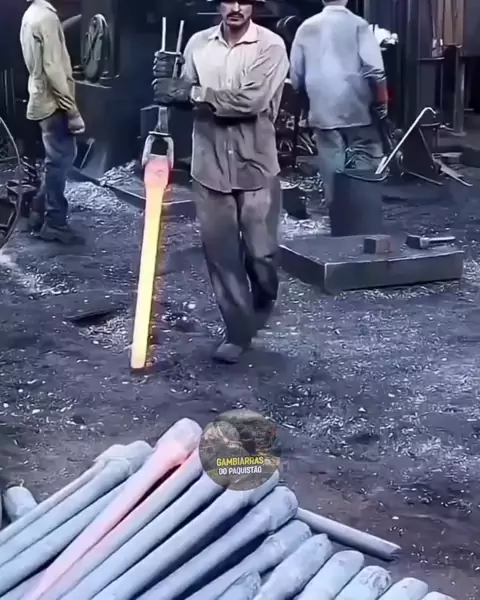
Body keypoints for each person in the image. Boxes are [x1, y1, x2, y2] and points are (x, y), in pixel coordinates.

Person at [153, 0, 289, 364]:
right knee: (221, 255)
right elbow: (181, 94)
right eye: (229, 0)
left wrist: (192, 93)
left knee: (262, 254)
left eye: (244, 1)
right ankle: (238, 331)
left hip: (255, 165)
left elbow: (250, 101)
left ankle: (262, 300)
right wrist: (168, 85)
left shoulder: (271, 46)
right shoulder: (197, 44)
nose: (236, 7)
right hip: (209, 166)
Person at [289, 0, 388, 205]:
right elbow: (375, 69)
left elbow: (296, 76)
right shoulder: (358, 24)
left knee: (331, 159)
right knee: (365, 153)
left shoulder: (306, 27)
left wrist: (306, 101)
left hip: (322, 110)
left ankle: (336, 208)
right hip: (357, 108)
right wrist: (382, 100)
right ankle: (361, 205)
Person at [20, 0, 85, 244]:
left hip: (40, 96)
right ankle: (55, 223)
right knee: (60, 161)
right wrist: (72, 111)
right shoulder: (46, 18)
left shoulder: (32, 14)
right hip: (52, 102)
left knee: (57, 159)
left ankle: (38, 212)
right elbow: (53, 69)